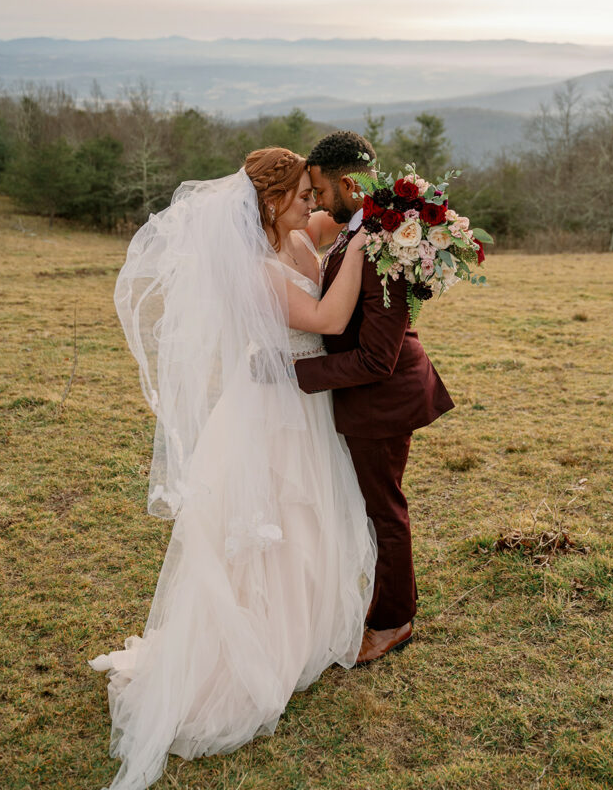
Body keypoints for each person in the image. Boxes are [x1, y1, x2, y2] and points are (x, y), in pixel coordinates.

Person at [89, 148, 376, 790]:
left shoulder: (300, 236)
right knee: (267, 523)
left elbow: (345, 215)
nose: (311, 201)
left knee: (305, 519)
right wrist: (362, 250)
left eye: (313, 191)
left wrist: (387, 218)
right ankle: (249, 650)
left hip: (304, 405)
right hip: (271, 410)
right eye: (302, 192)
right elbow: (326, 319)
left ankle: (298, 634)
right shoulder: (255, 267)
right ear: (271, 202)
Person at [293, 131, 454, 665]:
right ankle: (382, 603)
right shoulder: (360, 226)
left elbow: (375, 359)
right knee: (371, 506)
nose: (315, 202)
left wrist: (297, 373)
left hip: (382, 400)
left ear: (346, 184)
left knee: (383, 510)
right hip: (369, 396)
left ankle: (393, 621)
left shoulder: (385, 245)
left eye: (317, 190)